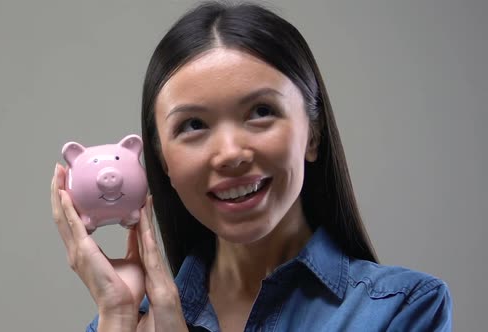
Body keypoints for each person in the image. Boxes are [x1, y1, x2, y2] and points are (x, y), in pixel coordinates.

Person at [50, 2, 452, 331]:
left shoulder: (402, 309)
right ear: (161, 162)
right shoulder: (125, 319)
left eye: (261, 111)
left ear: (312, 134)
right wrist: (118, 315)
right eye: (193, 125)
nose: (230, 153)